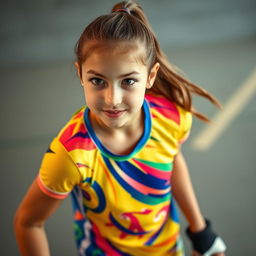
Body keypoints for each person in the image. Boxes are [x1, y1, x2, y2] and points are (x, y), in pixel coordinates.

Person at [14, 1, 227, 255]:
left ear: (150, 76)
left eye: (128, 81)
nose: (112, 98)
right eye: (97, 81)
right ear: (80, 74)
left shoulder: (171, 117)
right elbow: (29, 222)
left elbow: (173, 161)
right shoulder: (70, 155)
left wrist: (201, 232)